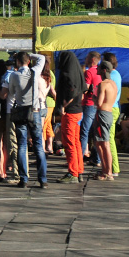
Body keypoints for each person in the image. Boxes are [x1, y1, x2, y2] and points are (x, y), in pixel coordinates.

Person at [7, 52, 48, 189]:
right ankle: (43, 179)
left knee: (22, 145)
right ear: (29, 61)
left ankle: (23, 178)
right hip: (34, 110)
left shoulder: (14, 75)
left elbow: (11, 93)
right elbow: (42, 58)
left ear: (18, 62)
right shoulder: (35, 72)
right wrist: (30, 54)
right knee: (38, 146)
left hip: (21, 110)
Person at [55, 51, 85, 183]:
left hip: (70, 113)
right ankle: (79, 170)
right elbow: (81, 92)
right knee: (76, 142)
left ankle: (73, 172)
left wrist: (63, 105)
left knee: (69, 143)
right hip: (78, 111)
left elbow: (72, 91)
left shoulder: (68, 75)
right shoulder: (78, 74)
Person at [91, 61, 118, 180]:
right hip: (109, 113)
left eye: (98, 68)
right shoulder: (113, 83)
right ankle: (107, 171)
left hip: (102, 114)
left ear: (103, 70)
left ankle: (107, 172)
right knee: (102, 142)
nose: (96, 70)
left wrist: (93, 96)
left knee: (103, 143)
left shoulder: (103, 84)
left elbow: (99, 103)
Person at [102, 52, 122, 177]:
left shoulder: (111, 77)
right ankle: (110, 166)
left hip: (110, 108)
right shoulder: (117, 74)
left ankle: (114, 168)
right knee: (108, 138)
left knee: (109, 139)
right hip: (114, 107)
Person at [80, 51, 102, 162]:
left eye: (87, 57)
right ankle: (96, 158)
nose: (85, 59)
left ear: (92, 60)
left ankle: (79, 158)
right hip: (97, 104)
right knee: (95, 132)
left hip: (88, 103)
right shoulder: (100, 72)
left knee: (84, 131)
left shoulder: (89, 73)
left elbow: (85, 88)